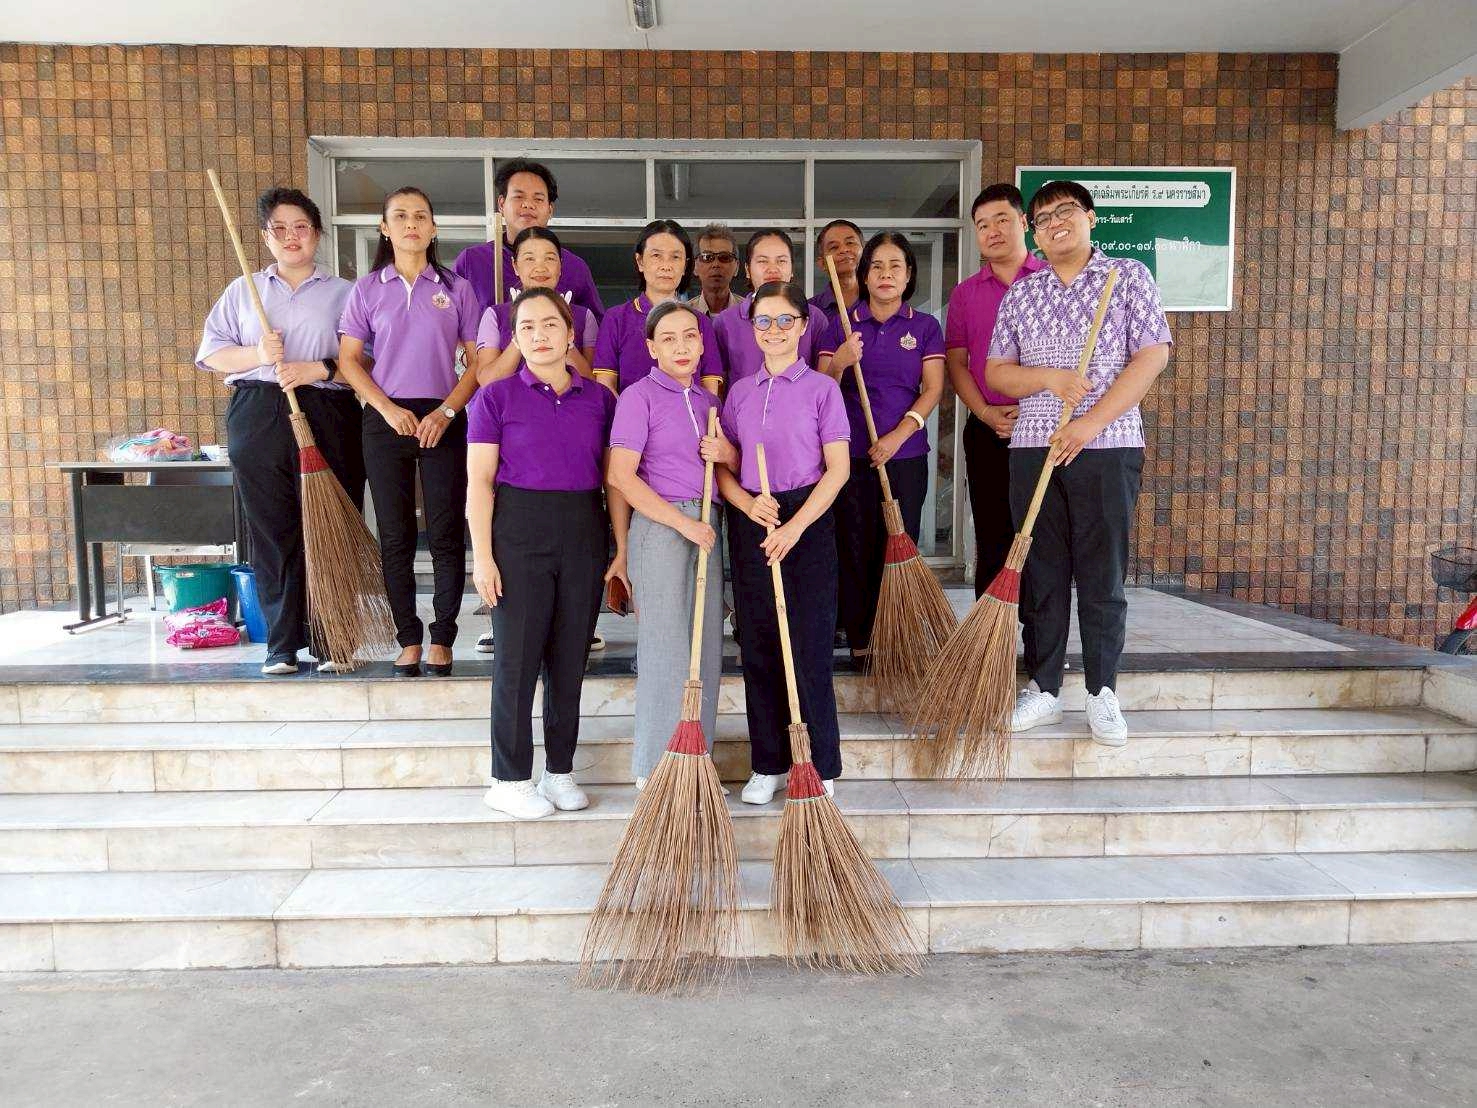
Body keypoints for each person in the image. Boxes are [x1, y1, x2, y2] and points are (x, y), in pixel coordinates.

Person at [986, 180, 1172, 747]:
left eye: (1065, 211)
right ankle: (1044, 687)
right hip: (1034, 447)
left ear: (1090, 217)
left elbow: (1152, 355)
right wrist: (1049, 379)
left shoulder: (1127, 276)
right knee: (1041, 571)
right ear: (1034, 234)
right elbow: (997, 372)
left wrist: (1090, 424)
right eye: (1042, 219)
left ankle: (1101, 690)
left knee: (1101, 572)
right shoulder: (1023, 293)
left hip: (1107, 444)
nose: (1054, 223)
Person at [196, 187, 364, 677]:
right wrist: (257, 354)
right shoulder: (243, 289)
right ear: (266, 236)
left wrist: (320, 368)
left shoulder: (346, 293)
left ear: (318, 234)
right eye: (280, 229)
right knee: (273, 530)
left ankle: (334, 639)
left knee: (331, 524)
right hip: (259, 410)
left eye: (302, 227)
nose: (292, 237)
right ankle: (282, 643)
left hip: (327, 411)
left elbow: (368, 362)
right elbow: (212, 354)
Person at [467, 288, 619, 819]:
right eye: (527, 326)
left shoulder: (600, 400)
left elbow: (614, 480)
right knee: (517, 659)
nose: (539, 335)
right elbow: (479, 483)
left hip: (583, 529)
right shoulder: (495, 398)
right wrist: (482, 558)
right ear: (515, 336)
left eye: (550, 324)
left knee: (569, 658)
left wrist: (620, 547)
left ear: (570, 332)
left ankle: (559, 771)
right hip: (518, 532)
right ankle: (508, 779)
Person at [706, 280, 850, 805]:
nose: (774, 330)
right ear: (752, 328)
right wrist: (747, 507)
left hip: (806, 520)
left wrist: (794, 527)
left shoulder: (822, 389)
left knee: (808, 645)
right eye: (763, 321)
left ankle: (819, 764)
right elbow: (725, 467)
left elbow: (838, 470)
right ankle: (767, 763)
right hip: (754, 517)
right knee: (759, 643)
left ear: (803, 325)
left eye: (785, 320)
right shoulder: (740, 392)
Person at [337, 186, 481, 678]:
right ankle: (408, 637)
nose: (411, 224)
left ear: (434, 228)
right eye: (399, 216)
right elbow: (349, 361)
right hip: (385, 417)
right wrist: (384, 408)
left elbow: (478, 362)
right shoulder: (366, 289)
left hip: (444, 416)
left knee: (445, 531)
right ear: (385, 228)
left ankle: (443, 636)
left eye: (420, 216)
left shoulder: (457, 288)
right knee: (395, 534)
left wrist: (447, 411)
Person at [606, 300, 724, 789]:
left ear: (702, 343)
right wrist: (682, 523)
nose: (681, 346)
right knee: (665, 647)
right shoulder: (638, 397)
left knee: (706, 648)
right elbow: (620, 476)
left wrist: (728, 452)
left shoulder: (708, 402)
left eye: (690, 336)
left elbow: (726, 470)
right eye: (668, 338)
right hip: (662, 527)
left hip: (708, 526)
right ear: (652, 348)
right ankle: (655, 769)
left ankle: (697, 765)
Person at [817, 231, 945, 660]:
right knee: (855, 546)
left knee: (899, 544)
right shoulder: (841, 324)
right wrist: (839, 362)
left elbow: (933, 389)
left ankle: (897, 636)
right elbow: (821, 389)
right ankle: (861, 640)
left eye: (895, 266)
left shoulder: (924, 327)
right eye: (877, 266)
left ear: (909, 275)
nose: (886, 274)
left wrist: (897, 436)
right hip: (849, 456)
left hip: (905, 456)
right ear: (865, 274)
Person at [946, 184, 1048, 597]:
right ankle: (992, 630)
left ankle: (1040, 630)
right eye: (982, 225)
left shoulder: (1053, 281)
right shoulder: (965, 293)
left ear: (1024, 222)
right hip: (988, 429)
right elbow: (957, 363)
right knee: (992, 533)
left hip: (1045, 429)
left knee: (1042, 535)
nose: (992, 231)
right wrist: (987, 414)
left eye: (1002, 220)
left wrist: (1035, 411)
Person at [452, 159, 604, 319]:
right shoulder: (471, 261)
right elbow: (447, 320)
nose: (528, 204)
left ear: (550, 209)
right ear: (501, 204)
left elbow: (594, 326)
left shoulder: (574, 267)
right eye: (519, 197)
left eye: (538, 199)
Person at [592, 220, 724, 396]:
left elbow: (710, 391)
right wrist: (630, 411)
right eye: (656, 256)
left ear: (685, 265)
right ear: (640, 261)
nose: (666, 266)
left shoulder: (701, 321)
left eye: (675, 257)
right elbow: (606, 386)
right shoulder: (616, 318)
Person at [474, 226, 598, 386]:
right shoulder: (495, 315)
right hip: (511, 401)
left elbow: (592, 382)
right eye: (529, 259)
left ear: (560, 266)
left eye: (550, 258)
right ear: (515, 266)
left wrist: (564, 331)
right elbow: (487, 380)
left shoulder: (584, 316)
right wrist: (521, 331)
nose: (540, 268)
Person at [712, 229, 829, 387]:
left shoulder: (814, 317)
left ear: (792, 269)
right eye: (762, 261)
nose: (772, 269)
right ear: (747, 270)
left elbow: (822, 379)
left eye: (781, 261)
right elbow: (718, 383)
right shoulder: (726, 322)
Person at [810, 219, 864, 325]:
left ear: (866, 252)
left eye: (850, 243)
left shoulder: (883, 302)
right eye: (834, 247)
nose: (844, 250)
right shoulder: (810, 311)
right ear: (822, 263)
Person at [692, 223, 741, 318]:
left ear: (737, 267)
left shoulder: (750, 313)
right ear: (695, 266)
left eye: (725, 257)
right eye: (707, 257)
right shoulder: (683, 314)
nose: (716, 264)